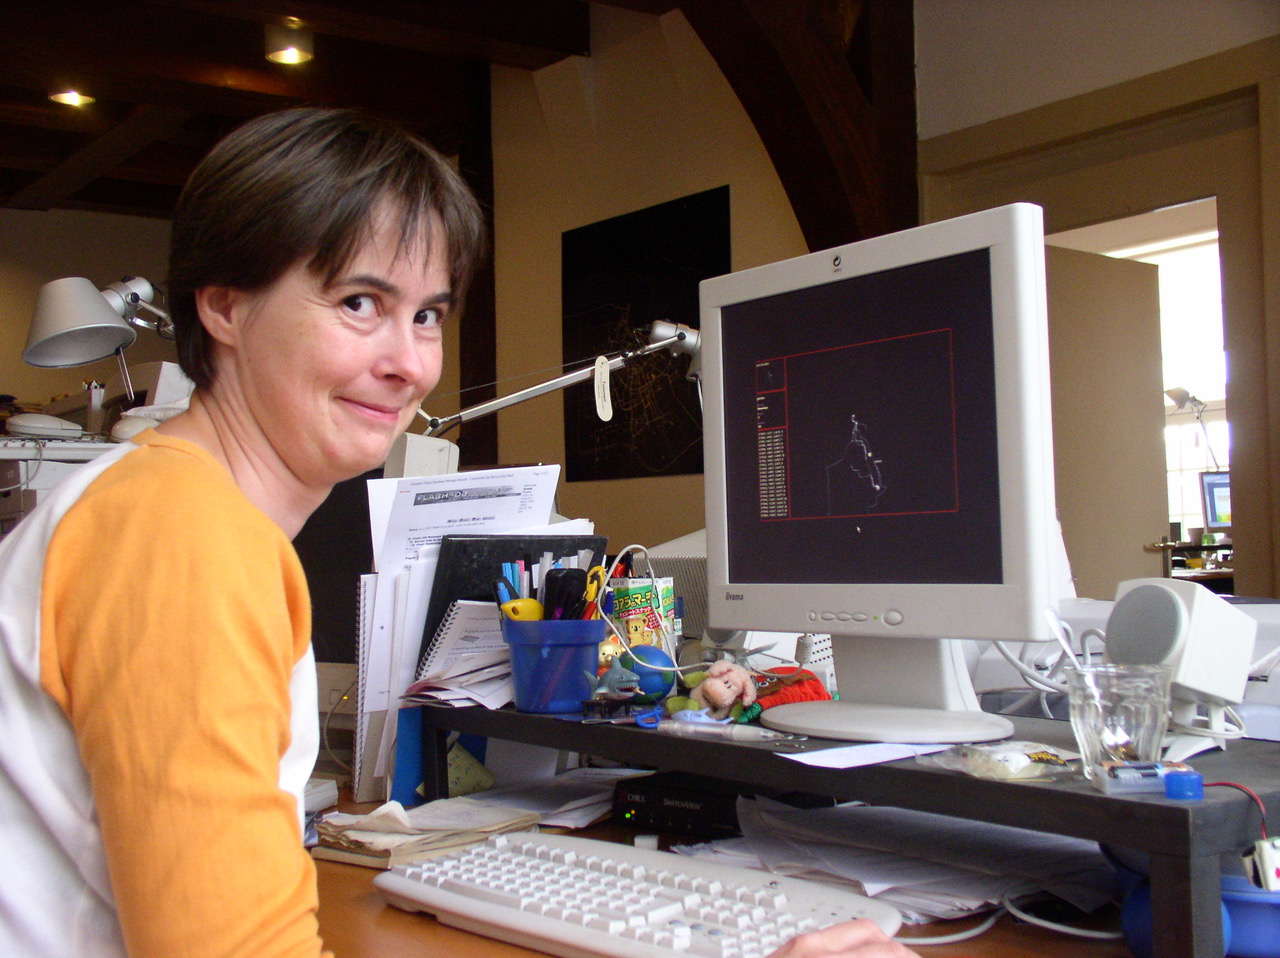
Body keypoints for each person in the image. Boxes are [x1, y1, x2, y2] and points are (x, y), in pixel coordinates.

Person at [0, 106, 920, 958]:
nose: (407, 364)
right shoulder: (183, 537)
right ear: (225, 304)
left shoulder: (165, 504)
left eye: (428, 314)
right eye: (359, 303)